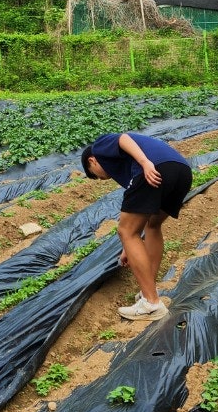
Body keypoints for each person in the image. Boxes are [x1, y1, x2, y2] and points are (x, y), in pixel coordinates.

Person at [81, 132, 193, 320]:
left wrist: (145, 163)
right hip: (181, 171)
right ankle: (150, 291)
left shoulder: (99, 147)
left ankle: (151, 303)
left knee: (125, 230)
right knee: (152, 226)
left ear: (92, 161)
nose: (102, 179)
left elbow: (122, 138)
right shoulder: (122, 163)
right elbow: (139, 221)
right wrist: (129, 246)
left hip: (153, 169)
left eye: (96, 176)